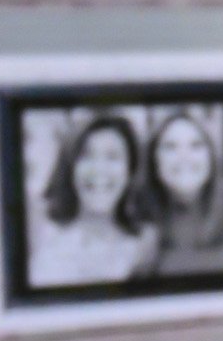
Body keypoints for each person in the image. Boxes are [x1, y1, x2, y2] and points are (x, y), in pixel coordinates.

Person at [26, 112, 155, 289]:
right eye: (87, 156)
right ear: (70, 166)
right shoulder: (39, 235)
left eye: (113, 157)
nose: (99, 169)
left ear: (130, 171)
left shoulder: (144, 249)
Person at [142, 109, 223, 277]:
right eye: (170, 147)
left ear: (211, 156)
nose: (184, 157)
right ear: (154, 160)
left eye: (196, 146)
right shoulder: (136, 218)